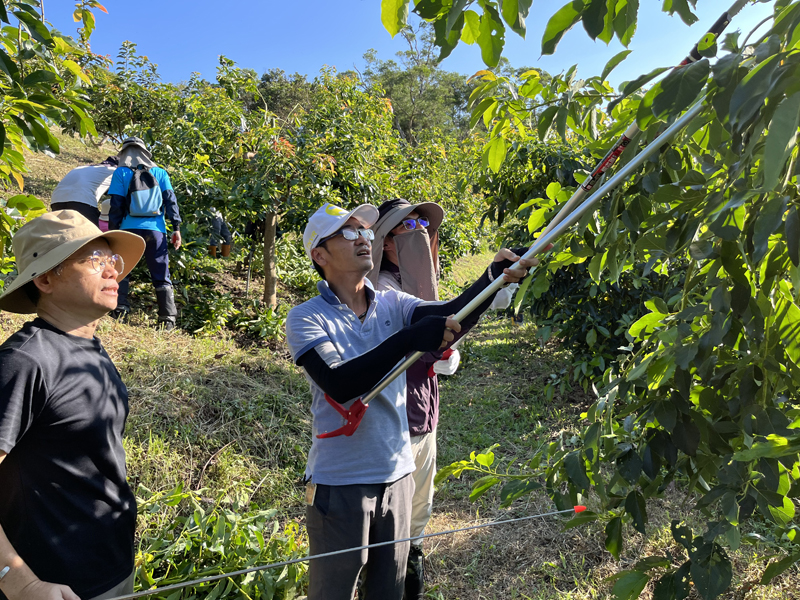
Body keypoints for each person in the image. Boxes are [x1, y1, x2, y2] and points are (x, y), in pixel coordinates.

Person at [286, 202, 539, 600]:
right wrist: (408, 340)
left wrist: (494, 278)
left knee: (389, 591)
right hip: (342, 482)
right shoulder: (306, 317)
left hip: (399, 474)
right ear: (319, 254)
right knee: (332, 593)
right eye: (349, 233)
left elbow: (450, 314)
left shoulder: (392, 302)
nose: (365, 239)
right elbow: (338, 382)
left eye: (366, 232)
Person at [0, 210, 145, 600]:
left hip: (110, 569)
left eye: (112, 260)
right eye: (94, 260)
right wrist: (21, 583)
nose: (112, 270)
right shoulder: (26, 361)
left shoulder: (88, 348)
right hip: (54, 586)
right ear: (46, 279)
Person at [368, 198, 460, 599]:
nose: (421, 229)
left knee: (419, 514)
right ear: (386, 242)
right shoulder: (381, 290)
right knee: (391, 522)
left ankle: (411, 586)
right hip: (394, 423)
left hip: (424, 415)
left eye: (424, 222)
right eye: (408, 226)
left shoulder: (418, 281)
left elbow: (443, 325)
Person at [107, 137, 182, 329]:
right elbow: (171, 202)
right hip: (155, 231)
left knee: (122, 269)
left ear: (123, 154)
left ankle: (120, 309)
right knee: (160, 272)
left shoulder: (121, 173)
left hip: (128, 229)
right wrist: (176, 228)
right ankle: (168, 319)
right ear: (146, 153)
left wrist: (113, 232)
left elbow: (116, 205)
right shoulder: (160, 173)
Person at [50, 157, 119, 225]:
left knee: (60, 230)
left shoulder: (84, 168)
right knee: (89, 233)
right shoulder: (114, 171)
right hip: (81, 200)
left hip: (56, 200)